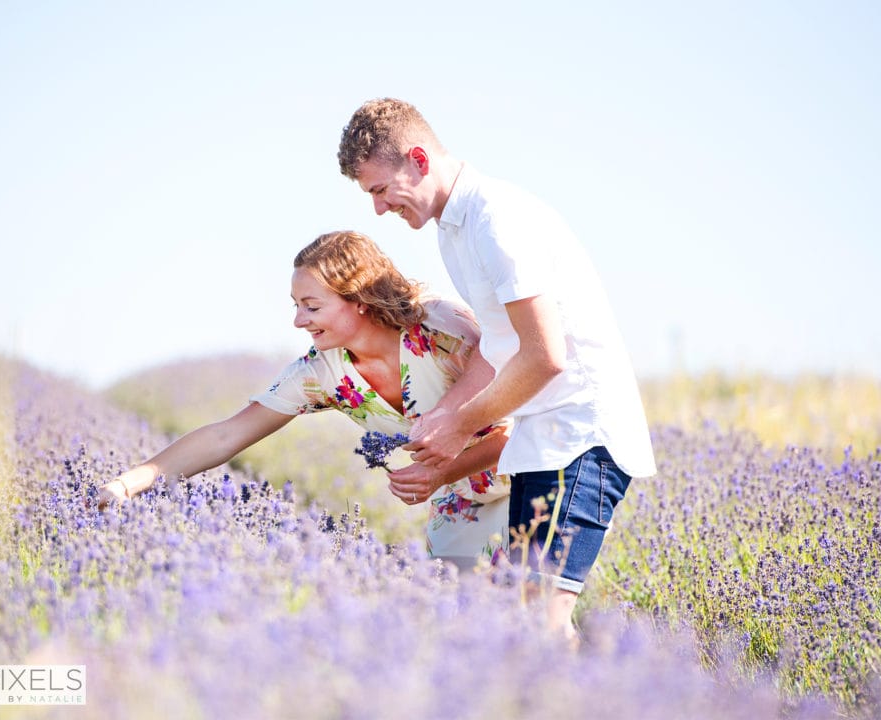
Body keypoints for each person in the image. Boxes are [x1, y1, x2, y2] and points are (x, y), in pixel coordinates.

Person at [337, 98, 657, 639]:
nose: (378, 209)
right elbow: (500, 347)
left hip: (580, 437)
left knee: (536, 618)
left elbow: (544, 356)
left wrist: (459, 427)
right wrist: (443, 415)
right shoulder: (453, 230)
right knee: (527, 617)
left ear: (418, 159)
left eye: (379, 190)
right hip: (543, 438)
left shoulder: (495, 219)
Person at [100, 230, 512, 567]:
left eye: (311, 306)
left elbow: (520, 425)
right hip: (461, 506)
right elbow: (227, 436)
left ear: (359, 300)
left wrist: (441, 472)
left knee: (541, 615)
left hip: (533, 476)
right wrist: (127, 484)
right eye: (297, 306)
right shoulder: (322, 372)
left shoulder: (442, 329)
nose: (299, 321)